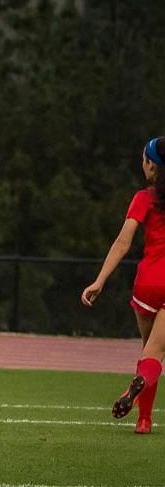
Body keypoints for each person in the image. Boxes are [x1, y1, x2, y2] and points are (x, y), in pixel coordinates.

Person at [82, 137, 165, 434]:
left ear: (151, 164)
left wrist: (99, 280)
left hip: (149, 280)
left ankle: (144, 420)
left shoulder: (144, 198)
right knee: (155, 353)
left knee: (148, 350)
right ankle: (142, 410)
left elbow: (123, 242)